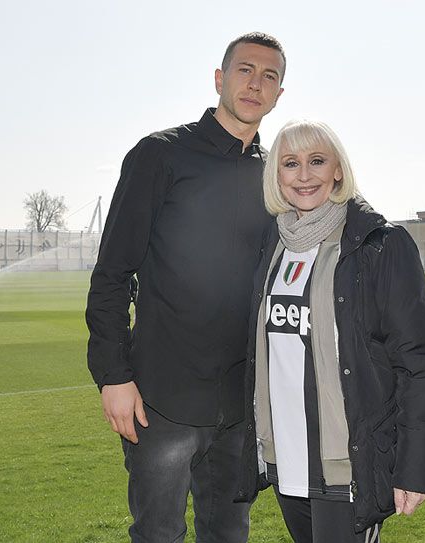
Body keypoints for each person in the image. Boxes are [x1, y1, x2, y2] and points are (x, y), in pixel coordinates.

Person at [85, 32, 285, 543]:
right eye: (244, 70)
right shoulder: (160, 156)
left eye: (270, 76)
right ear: (220, 79)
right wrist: (112, 376)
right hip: (162, 401)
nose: (255, 84)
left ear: (279, 94)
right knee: (159, 535)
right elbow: (111, 274)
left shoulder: (276, 176)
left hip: (240, 407)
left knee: (228, 534)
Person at [234, 120, 425, 543]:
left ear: (337, 170)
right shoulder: (270, 244)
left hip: (347, 464)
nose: (304, 174)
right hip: (286, 461)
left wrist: (416, 467)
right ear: (276, 175)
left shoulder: (379, 245)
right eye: (290, 163)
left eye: (316, 161)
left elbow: (419, 361)